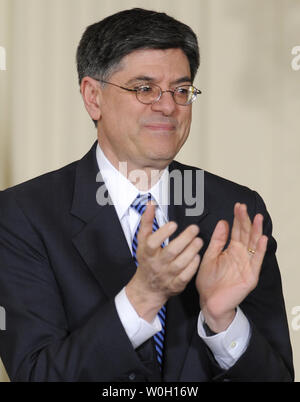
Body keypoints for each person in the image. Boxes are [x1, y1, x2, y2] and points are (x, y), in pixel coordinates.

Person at [0, 8, 293, 382]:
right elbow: (36, 374)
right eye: (144, 88)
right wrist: (141, 298)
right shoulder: (21, 215)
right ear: (93, 97)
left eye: (182, 90)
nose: (168, 106)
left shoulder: (235, 209)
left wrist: (223, 322)